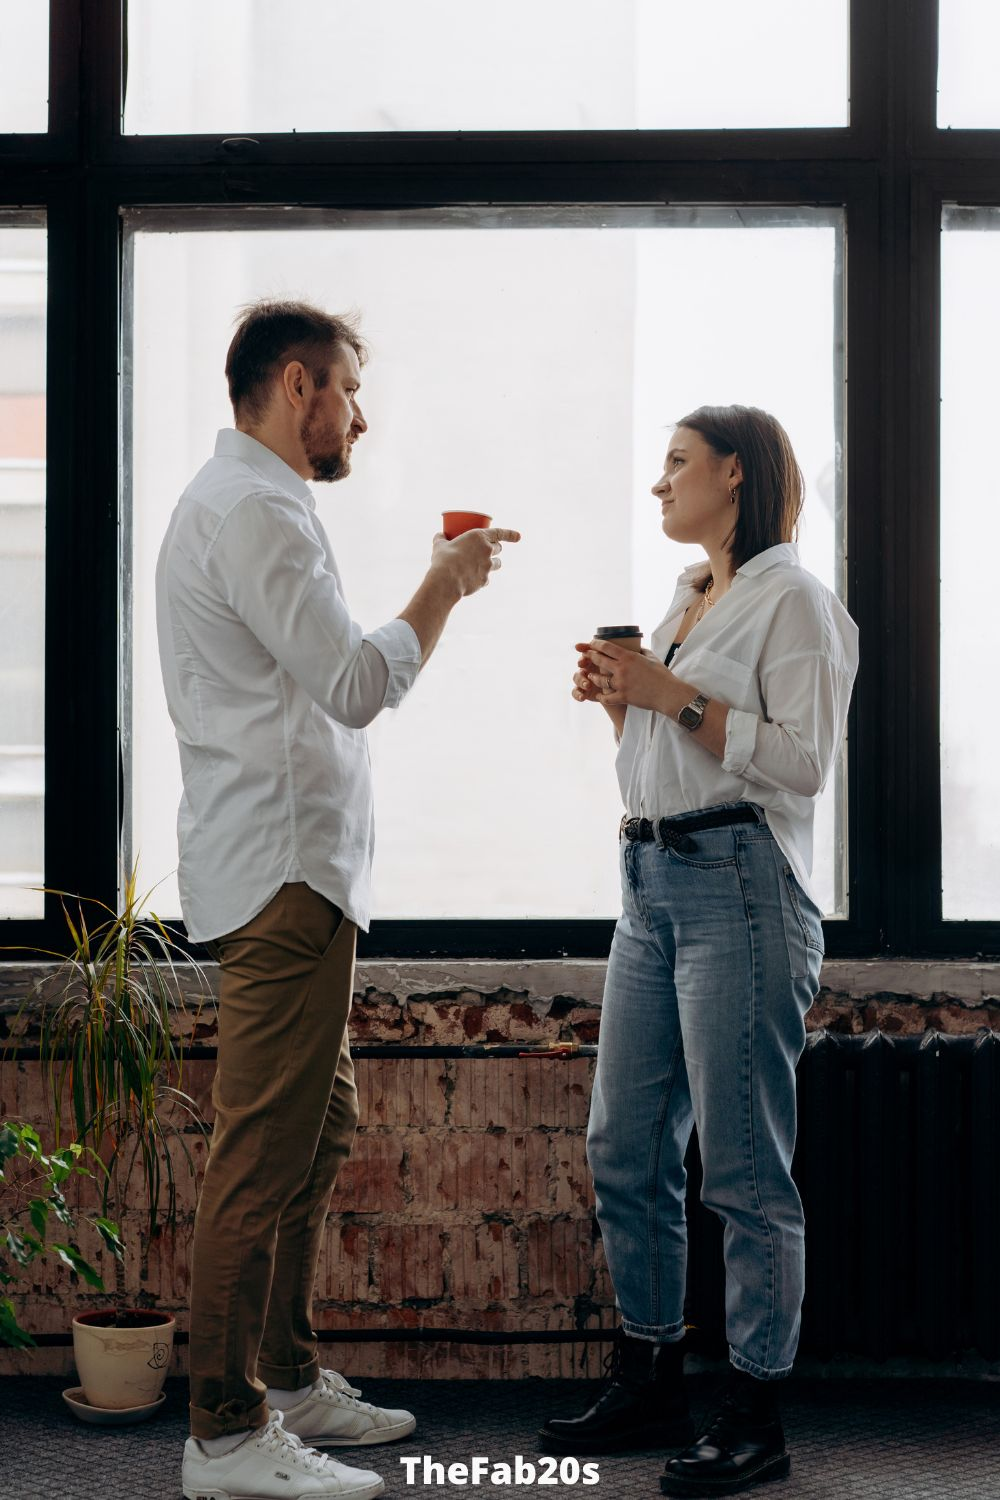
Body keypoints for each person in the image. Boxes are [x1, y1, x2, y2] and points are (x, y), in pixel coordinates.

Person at [155, 299, 519, 1500]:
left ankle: (287, 1373)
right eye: (351, 392)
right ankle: (223, 1433)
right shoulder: (257, 510)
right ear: (299, 384)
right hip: (283, 876)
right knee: (260, 1156)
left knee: (321, 1131)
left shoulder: (254, 507)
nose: (360, 415)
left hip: (297, 876)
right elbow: (358, 684)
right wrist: (445, 584)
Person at [538, 406, 858, 1497]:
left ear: (734, 471)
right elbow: (665, 763)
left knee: (742, 1170)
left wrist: (668, 693)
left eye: (677, 463)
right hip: (649, 881)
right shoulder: (687, 597)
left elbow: (802, 764)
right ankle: (652, 1377)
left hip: (740, 888)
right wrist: (621, 703)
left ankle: (753, 1411)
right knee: (624, 1149)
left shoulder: (795, 601)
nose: (658, 482)